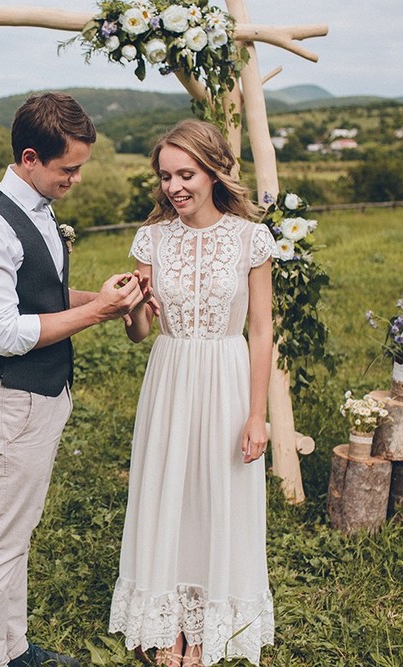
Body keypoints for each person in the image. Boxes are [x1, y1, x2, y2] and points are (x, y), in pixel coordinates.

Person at [0, 92, 149, 667]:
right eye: (69, 169)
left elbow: (44, 300)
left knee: (17, 536)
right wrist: (99, 314)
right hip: (11, 402)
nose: (77, 179)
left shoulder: (37, 206)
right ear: (31, 157)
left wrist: (107, 296)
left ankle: (13, 648)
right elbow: (4, 334)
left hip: (41, 398)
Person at [107, 119, 277, 667]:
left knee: (218, 493)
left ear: (214, 171)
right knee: (169, 491)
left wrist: (258, 415)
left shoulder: (251, 237)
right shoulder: (152, 239)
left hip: (228, 374)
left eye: (187, 174)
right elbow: (139, 333)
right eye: (166, 176)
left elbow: (261, 332)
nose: (175, 187)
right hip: (171, 373)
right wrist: (132, 308)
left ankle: (207, 622)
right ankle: (167, 619)